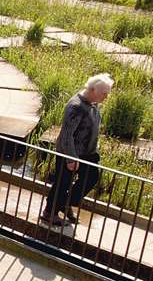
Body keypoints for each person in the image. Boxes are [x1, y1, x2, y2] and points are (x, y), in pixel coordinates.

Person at [40, 73, 112, 230]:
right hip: (69, 151)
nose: (106, 97)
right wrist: (71, 158)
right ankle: (49, 212)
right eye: (103, 94)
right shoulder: (76, 106)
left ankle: (66, 203)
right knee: (62, 182)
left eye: (107, 94)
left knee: (91, 177)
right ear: (92, 90)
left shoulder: (93, 103)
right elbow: (66, 135)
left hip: (87, 153)